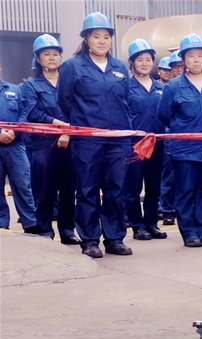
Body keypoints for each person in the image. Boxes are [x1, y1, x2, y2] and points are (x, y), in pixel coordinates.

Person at [57, 12, 133, 258]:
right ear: (86, 39)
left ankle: (114, 239)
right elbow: (64, 101)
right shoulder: (72, 66)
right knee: (87, 189)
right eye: (96, 36)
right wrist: (82, 124)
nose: (102, 41)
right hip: (88, 139)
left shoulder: (119, 67)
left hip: (118, 138)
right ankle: (89, 240)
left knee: (116, 190)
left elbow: (126, 100)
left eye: (106, 37)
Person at [156, 33, 202, 248]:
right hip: (184, 149)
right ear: (183, 60)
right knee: (185, 191)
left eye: (200, 55)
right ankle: (189, 232)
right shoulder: (173, 86)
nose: (196, 60)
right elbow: (164, 114)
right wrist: (182, 129)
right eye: (191, 56)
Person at [19, 35, 79, 243]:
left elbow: (77, 109)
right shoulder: (30, 85)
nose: (52, 58)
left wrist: (67, 131)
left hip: (70, 142)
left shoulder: (70, 83)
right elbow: (32, 112)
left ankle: (67, 230)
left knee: (68, 189)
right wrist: (57, 124)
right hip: (43, 144)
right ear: (38, 58)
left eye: (55, 54)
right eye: (46, 54)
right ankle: (45, 229)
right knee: (44, 189)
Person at [124, 39, 167, 241]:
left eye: (148, 59)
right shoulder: (126, 87)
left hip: (157, 144)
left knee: (153, 186)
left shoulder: (161, 87)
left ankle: (151, 223)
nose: (144, 63)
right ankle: (137, 225)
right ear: (132, 63)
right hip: (135, 145)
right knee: (133, 187)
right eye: (139, 60)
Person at [0, 63, 39, 234]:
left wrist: (15, 132)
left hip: (16, 145)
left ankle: (30, 222)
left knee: (23, 184)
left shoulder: (14, 89)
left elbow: (24, 114)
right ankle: (1, 222)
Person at [158, 49, 185, 227]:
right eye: (175, 67)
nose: (178, 70)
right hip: (171, 136)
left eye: (180, 66)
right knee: (169, 176)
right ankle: (167, 210)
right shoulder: (170, 87)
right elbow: (163, 113)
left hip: (190, 140)